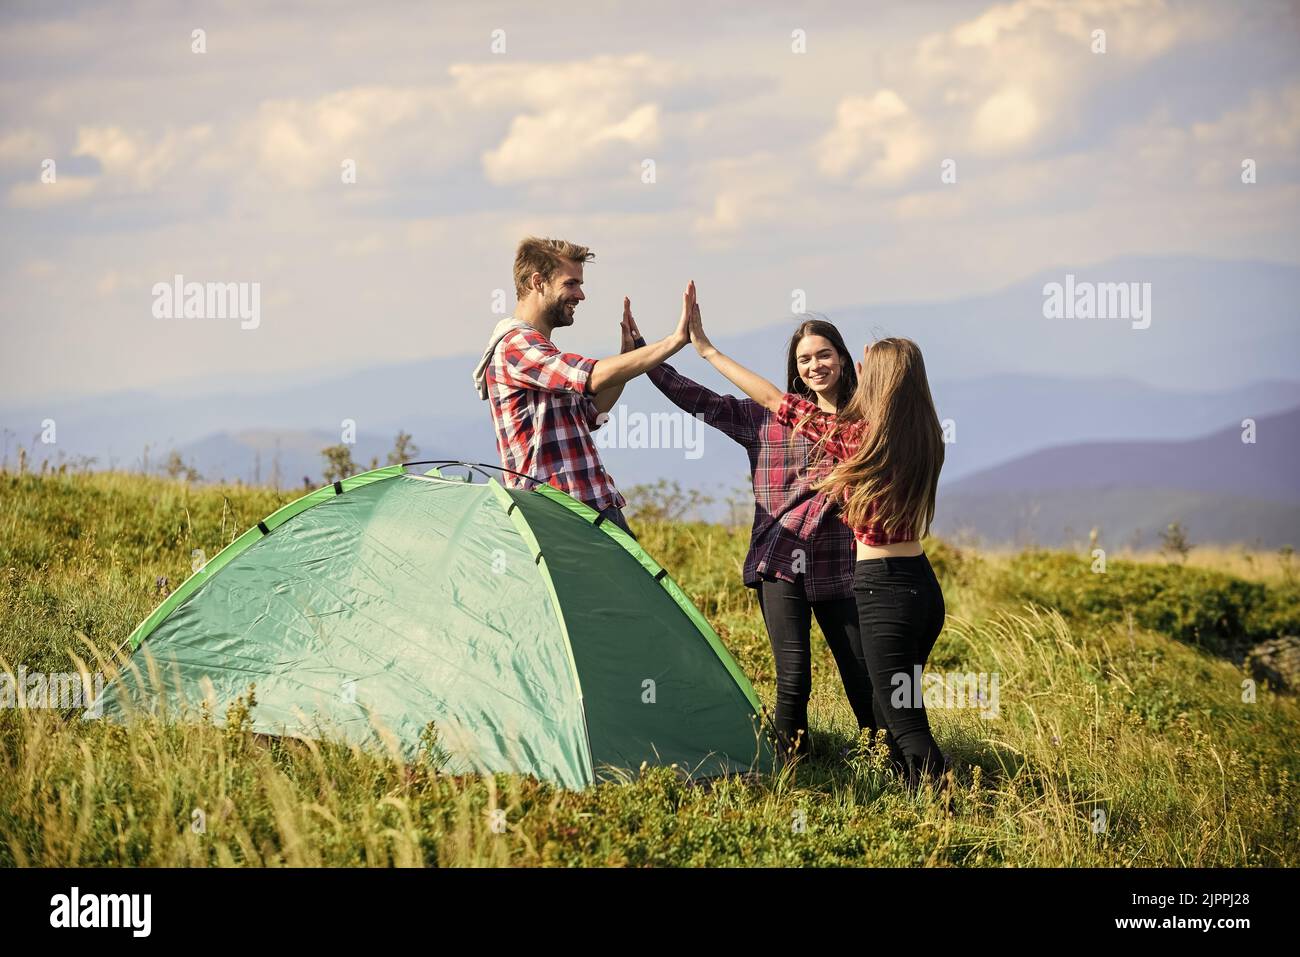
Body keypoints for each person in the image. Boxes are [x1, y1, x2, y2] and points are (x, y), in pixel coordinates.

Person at [684, 297, 951, 793]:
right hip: (924, 588)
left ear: (879, 382)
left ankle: (943, 809)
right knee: (898, 701)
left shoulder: (853, 438)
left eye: (869, 365)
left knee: (906, 723)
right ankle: (906, 787)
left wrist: (708, 351)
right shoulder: (926, 435)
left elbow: (771, 399)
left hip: (880, 590)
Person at [627, 309, 878, 763]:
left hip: (839, 564)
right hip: (780, 561)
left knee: (861, 673)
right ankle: (791, 769)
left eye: (824, 355)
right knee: (794, 677)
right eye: (804, 359)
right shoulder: (767, 418)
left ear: (841, 359)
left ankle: (887, 760)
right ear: (795, 369)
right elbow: (699, 399)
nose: (815, 366)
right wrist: (647, 356)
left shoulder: (863, 426)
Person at [473, 236, 696, 538]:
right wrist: (673, 341)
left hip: (587, 507)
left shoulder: (539, 349)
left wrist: (626, 359)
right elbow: (590, 377)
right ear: (538, 282)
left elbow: (593, 411)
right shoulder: (516, 345)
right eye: (571, 284)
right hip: (563, 515)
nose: (581, 295)